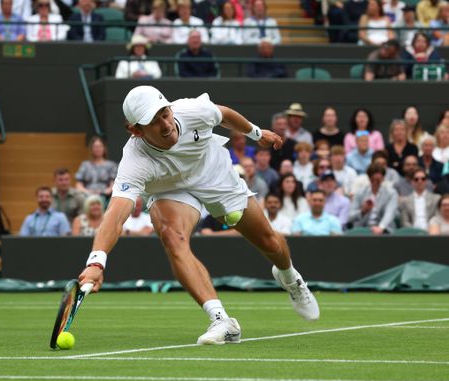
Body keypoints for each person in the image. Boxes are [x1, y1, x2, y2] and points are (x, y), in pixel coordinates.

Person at [78, 85, 320, 345]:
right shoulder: (134, 161)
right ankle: (221, 320)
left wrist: (257, 134)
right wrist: (96, 263)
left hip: (214, 174)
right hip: (171, 190)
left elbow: (225, 115)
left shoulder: (193, 111)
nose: (166, 124)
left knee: (270, 242)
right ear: (135, 130)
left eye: (165, 114)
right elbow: (116, 215)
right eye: (153, 121)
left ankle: (290, 277)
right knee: (172, 237)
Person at [349, 163, 398, 233]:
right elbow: (350, 217)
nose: (375, 183)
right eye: (373, 180)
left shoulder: (391, 193)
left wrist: (381, 227)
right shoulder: (359, 192)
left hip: (384, 230)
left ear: (383, 178)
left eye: (378, 180)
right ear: (369, 178)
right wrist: (362, 211)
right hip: (363, 230)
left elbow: (390, 212)